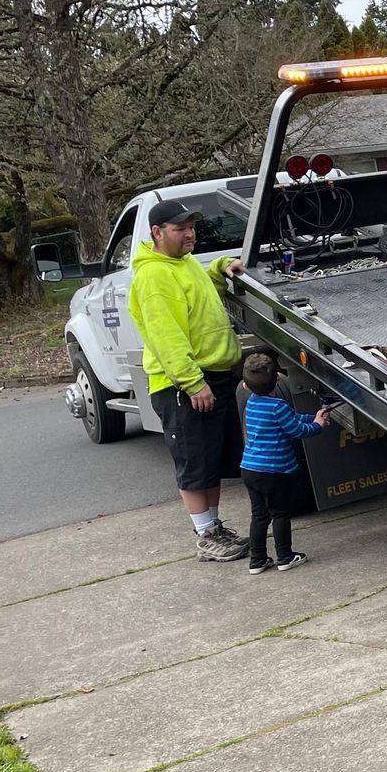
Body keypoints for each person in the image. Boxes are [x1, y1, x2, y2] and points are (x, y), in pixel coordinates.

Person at [128, 200, 249, 561]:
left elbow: (204, 294)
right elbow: (166, 336)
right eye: (179, 228)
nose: (189, 234)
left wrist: (221, 267)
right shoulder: (154, 276)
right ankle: (206, 536)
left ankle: (215, 529)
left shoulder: (185, 263)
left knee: (211, 460)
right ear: (157, 233)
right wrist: (192, 383)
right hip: (183, 385)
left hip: (212, 375)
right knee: (194, 462)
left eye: (191, 227)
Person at [237, 351, 329, 574]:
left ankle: (257, 560)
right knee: (279, 513)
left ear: (246, 386)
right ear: (278, 378)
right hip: (274, 471)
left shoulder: (251, 403)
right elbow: (296, 430)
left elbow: (291, 419)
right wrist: (318, 425)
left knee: (259, 515)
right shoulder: (278, 406)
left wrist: (313, 417)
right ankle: (285, 557)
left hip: (250, 468)